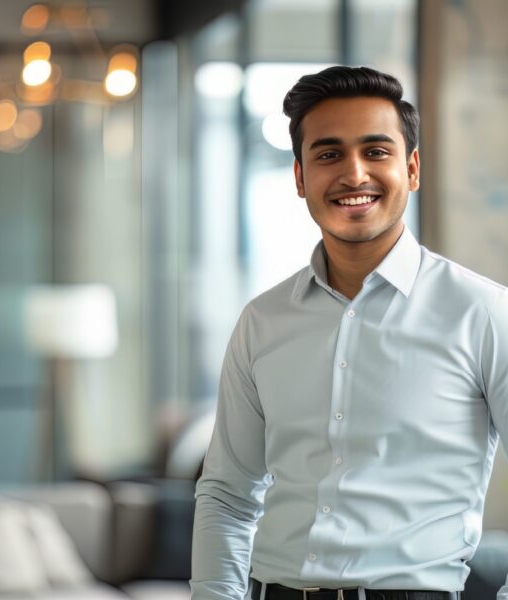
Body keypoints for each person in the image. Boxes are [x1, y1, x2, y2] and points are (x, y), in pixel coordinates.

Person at [190, 66, 508, 600]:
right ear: (300, 176)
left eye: (376, 151)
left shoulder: (483, 312)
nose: (354, 174)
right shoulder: (262, 322)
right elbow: (227, 494)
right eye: (328, 154)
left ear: (411, 169)